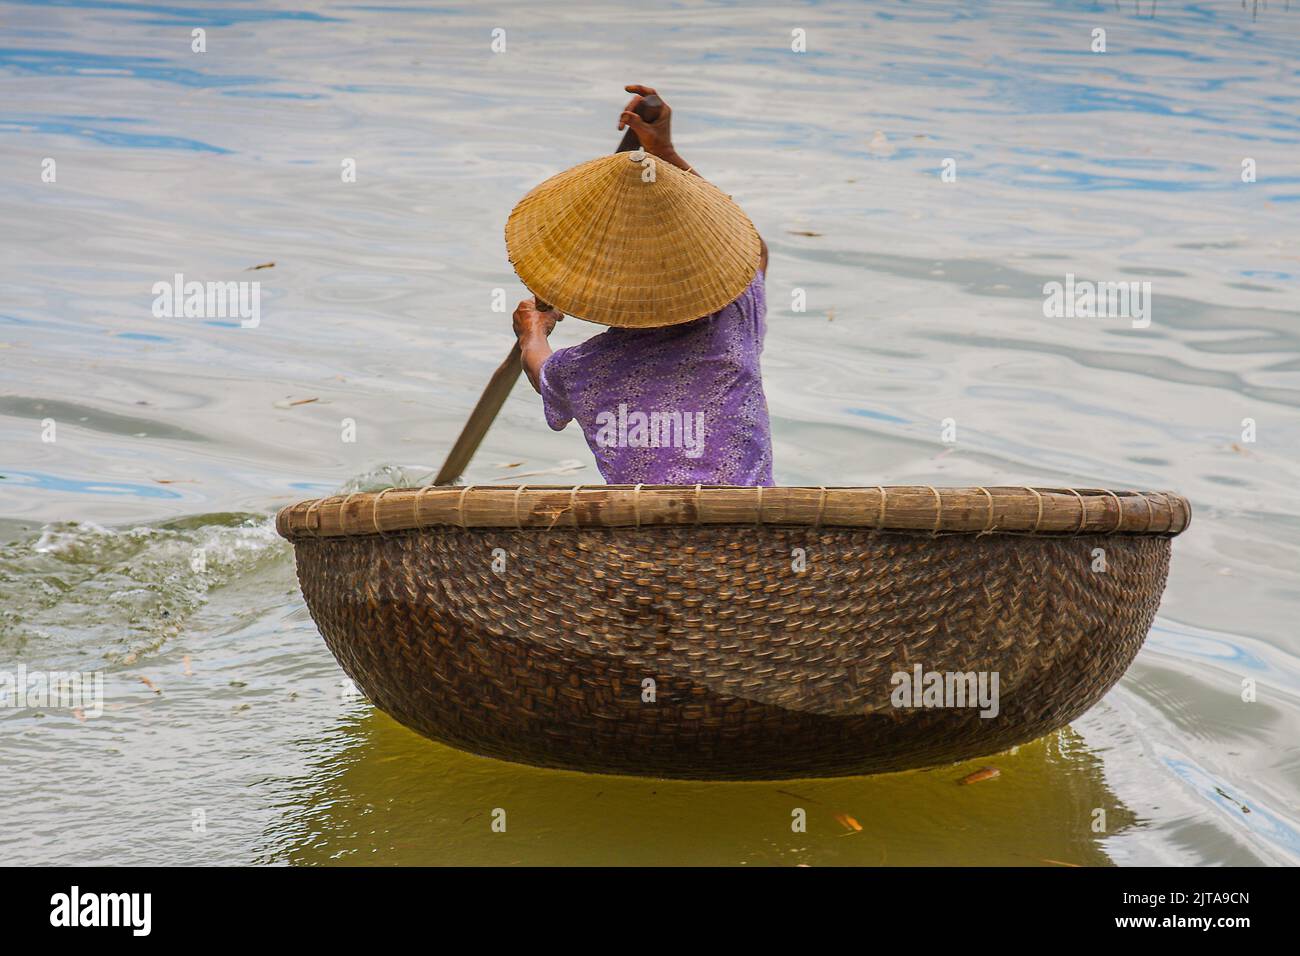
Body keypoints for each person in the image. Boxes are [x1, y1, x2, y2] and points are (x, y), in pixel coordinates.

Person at [508, 85, 773, 486]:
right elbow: (753, 251)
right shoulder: (734, 321)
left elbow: (540, 369)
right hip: (745, 538)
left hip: (641, 547)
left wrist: (532, 331)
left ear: (604, 291)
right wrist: (665, 153)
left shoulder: (585, 369)